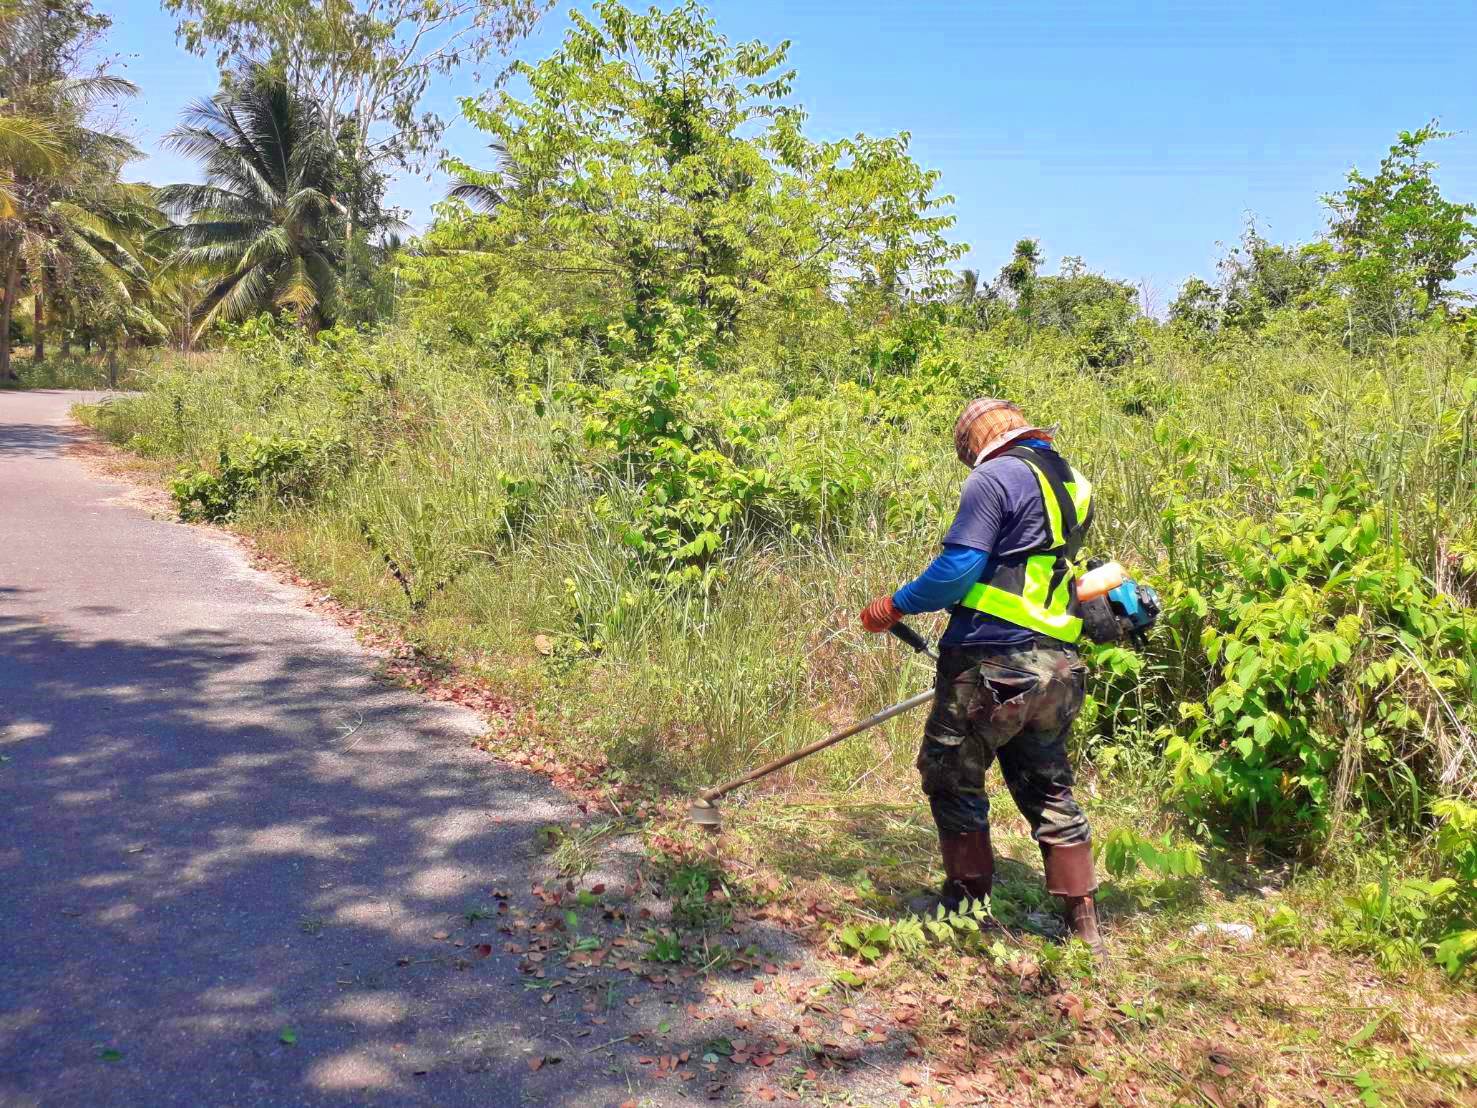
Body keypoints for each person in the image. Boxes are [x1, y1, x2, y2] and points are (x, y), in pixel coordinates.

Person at [859, 397, 1104, 954]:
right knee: (1046, 781)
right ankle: (1083, 919)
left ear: (976, 447)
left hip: (994, 658)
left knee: (949, 770)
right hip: (1060, 662)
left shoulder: (994, 478)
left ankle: (964, 901)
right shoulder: (1072, 483)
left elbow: (958, 569)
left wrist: (893, 606)